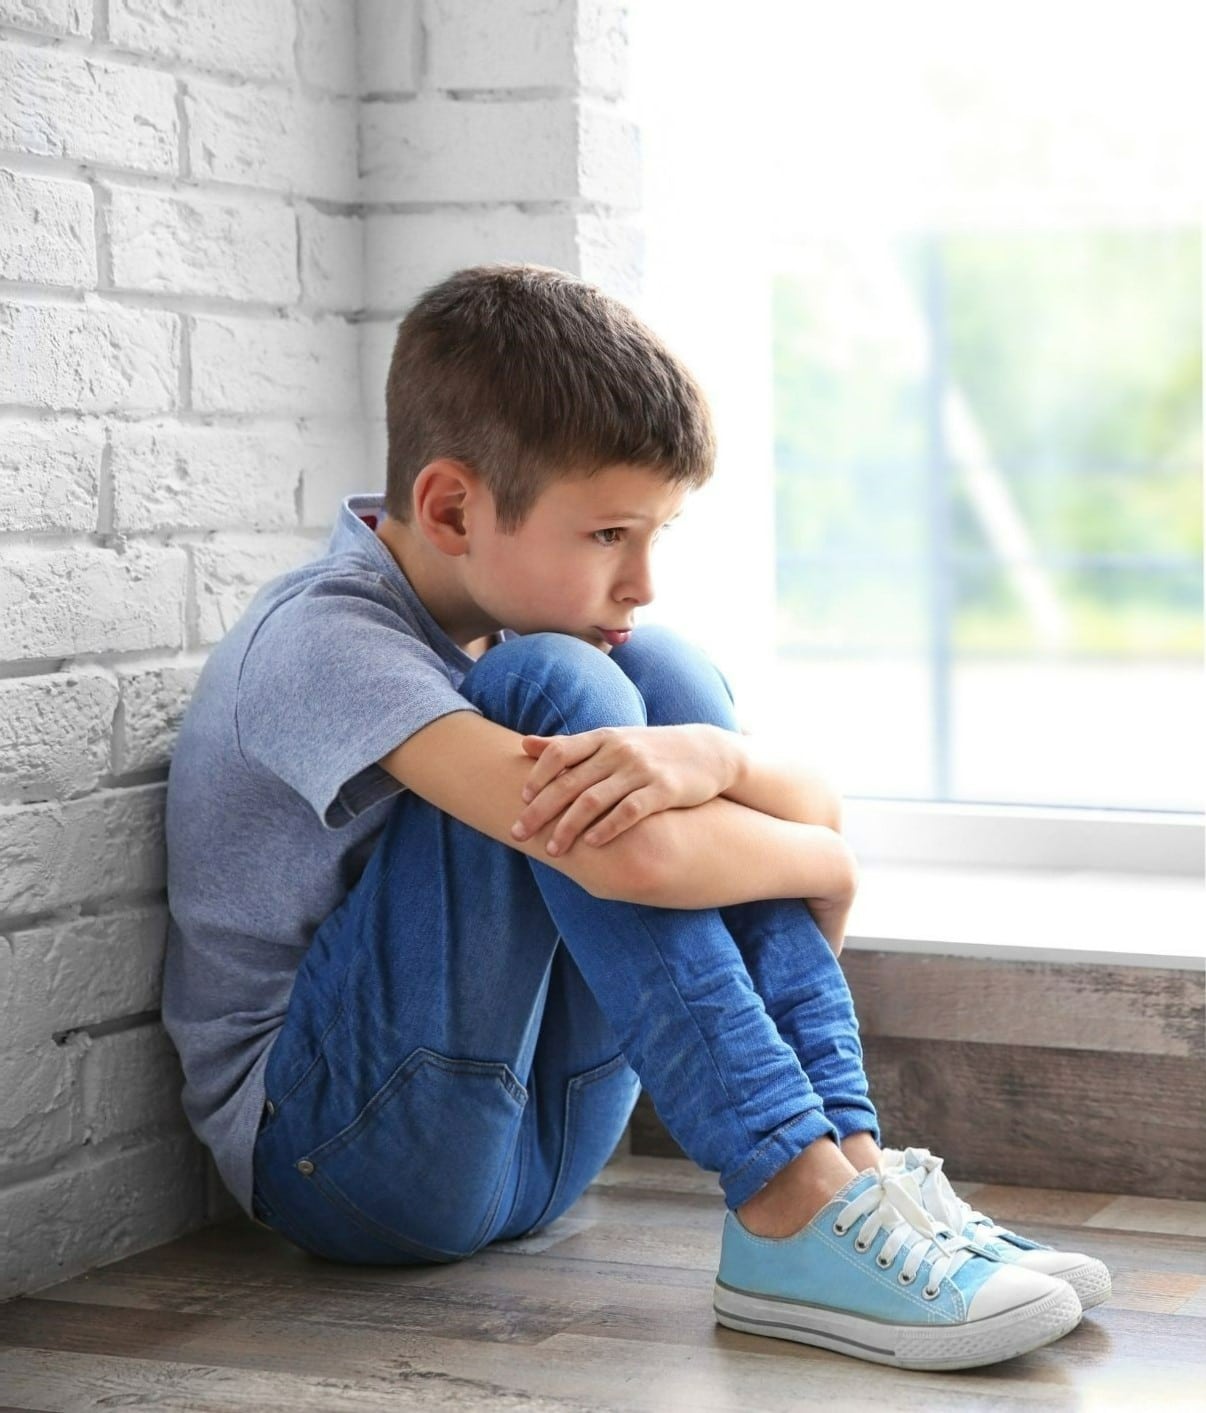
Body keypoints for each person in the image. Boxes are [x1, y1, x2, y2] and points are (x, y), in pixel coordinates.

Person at [162, 263, 1108, 1372]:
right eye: (612, 534)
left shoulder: (524, 620)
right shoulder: (321, 644)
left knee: (657, 680)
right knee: (559, 695)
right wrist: (823, 866)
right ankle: (785, 1196)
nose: (644, 576)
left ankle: (848, 1174)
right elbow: (646, 860)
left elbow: (798, 803)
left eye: (656, 534)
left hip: (537, 1144)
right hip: (346, 1161)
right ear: (453, 507)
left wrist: (712, 757)